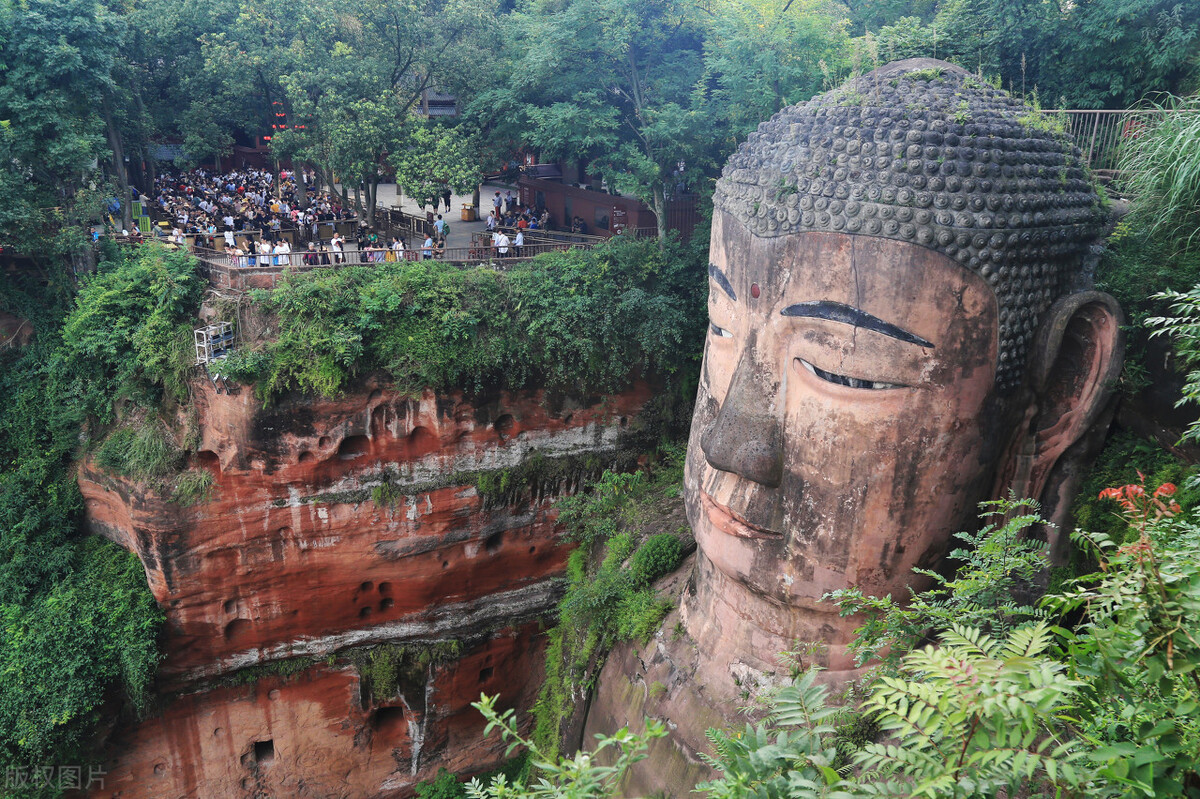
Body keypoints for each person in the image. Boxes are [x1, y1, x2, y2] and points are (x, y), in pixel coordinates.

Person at [584, 58, 1124, 795]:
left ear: (1062, 391)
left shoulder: (1005, 767)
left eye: (844, 371)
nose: (730, 445)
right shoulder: (627, 597)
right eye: (719, 325)